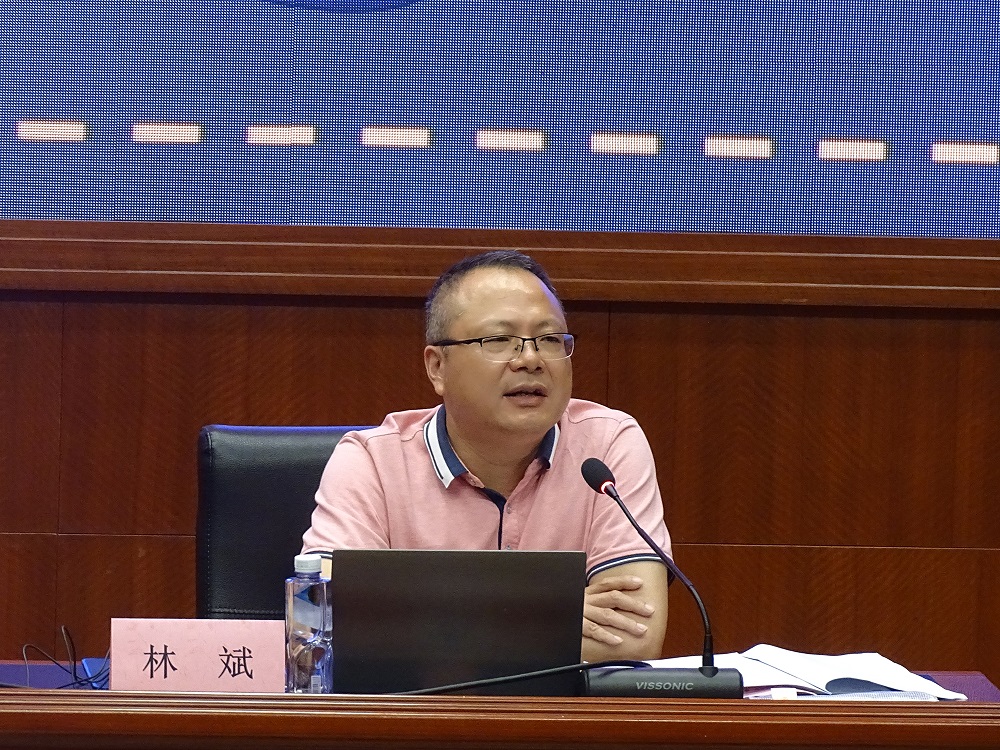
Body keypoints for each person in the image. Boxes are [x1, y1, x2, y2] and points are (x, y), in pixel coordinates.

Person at [302, 250, 671, 662]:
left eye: (549, 339)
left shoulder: (606, 445)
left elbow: (634, 637)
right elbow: (326, 628)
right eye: (498, 340)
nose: (530, 359)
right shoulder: (372, 463)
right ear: (437, 367)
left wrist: (426, 623)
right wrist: (547, 618)